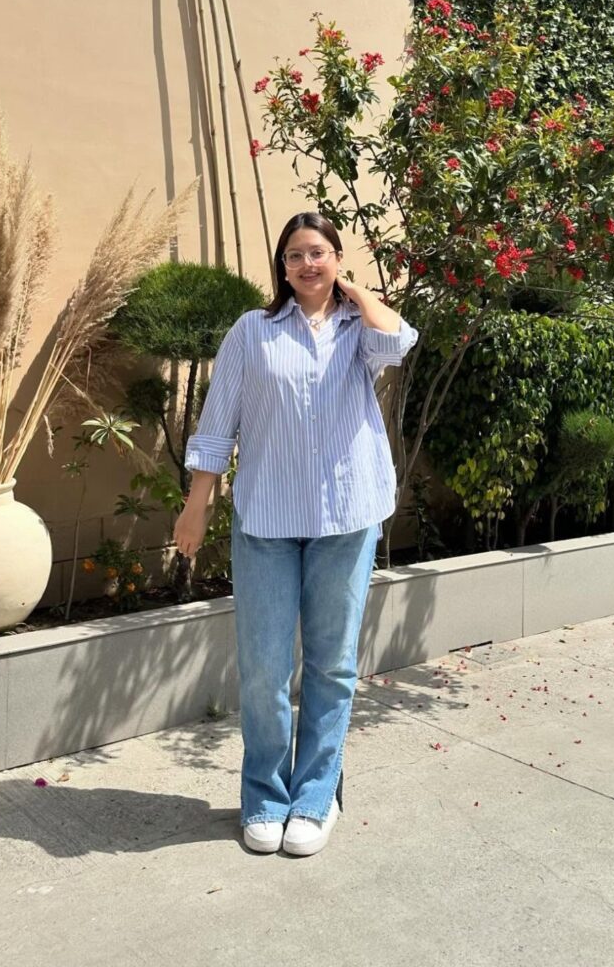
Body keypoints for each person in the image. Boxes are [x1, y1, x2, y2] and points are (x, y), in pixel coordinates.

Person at [173, 211, 418, 856]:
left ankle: (316, 796)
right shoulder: (251, 334)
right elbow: (217, 423)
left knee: (332, 665)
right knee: (263, 668)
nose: (306, 265)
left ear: (336, 258)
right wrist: (196, 506)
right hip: (268, 523)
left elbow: (397, 341)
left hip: (345, 518)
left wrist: (355, 292)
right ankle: (264, 796)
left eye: (318, 253)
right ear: (280, 268)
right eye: (294, 256)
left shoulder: (358, 331)